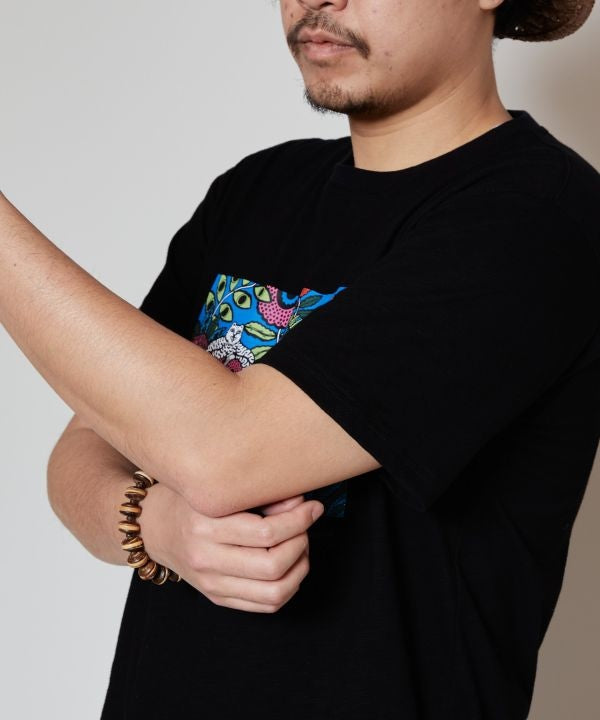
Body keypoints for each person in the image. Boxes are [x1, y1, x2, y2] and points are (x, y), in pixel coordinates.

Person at [1, 0, 598, 718]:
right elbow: (86, 445)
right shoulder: (257, 190)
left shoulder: (542, 218)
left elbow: (227, 451)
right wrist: (155, 526)